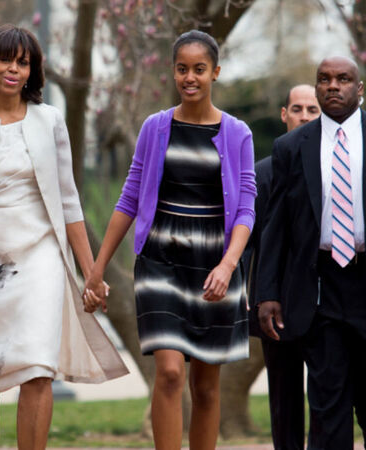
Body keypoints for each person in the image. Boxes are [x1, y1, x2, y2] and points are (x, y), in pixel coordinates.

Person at [0, 24, 128, 450]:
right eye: (6, 59)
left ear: (32, 71)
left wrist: (90, 273)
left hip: (41, 255)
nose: (14, 68)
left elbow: (69, 202)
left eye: (23, 62)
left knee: (37, 366)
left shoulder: (50, 120)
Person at [84, 30, 255, 449]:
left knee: (207, 385)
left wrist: (228, 265)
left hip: (216, 264)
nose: (190, 77)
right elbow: (128, 198)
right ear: (173, 71)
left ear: (215, 72)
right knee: (171, 372)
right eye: (182, 69)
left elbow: (247, 206)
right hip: (161, 259)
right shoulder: (155, 127)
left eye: (199, 69)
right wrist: (96, 268)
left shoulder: (238, 134)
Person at [257, 56, 366, 449]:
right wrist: (267, 293)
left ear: (360, 89)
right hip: (321, 289)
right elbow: (276, 226)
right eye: (324, 79)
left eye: (343, 79)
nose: (332, 86)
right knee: (327, 409)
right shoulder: (291, 147)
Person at [241, 84, 318, 450]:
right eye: (298, 109)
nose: (305, 116)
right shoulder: (261, 174)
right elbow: (246, 237)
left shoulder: (333, 167)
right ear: (284, 114)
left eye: (312, 110)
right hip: (276, 305)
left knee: (325, 398)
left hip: (324, 303)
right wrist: (243, 290)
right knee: (283, 400)